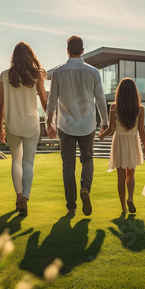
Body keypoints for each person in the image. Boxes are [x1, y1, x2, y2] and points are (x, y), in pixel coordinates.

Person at [46, 35, 109, 216]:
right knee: (87, 159)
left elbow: (51, 103)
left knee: (68, 165)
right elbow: (100, 100)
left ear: (67, 50)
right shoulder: (93, 72)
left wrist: (48, 125)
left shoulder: (58, 72)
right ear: (82, 51)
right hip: (87, 125)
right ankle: (85, 189)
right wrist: (105, 122)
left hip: (65, 126)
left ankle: (71, 205)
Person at [0, 42, 48, 216]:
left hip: (12, 125)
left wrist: (0, 128)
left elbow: (1, 104)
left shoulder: (4, 75)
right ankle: (25, 199)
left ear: (13, 57)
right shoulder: (36, 76)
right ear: (30, 56)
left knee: (16, 161)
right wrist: (50, 122)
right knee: (28, 162)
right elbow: (44, 102)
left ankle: (18, 197)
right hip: (31, 125)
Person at [98, 78, 145, 214]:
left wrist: (101, 135)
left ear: (120, 92)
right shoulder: (140, 108)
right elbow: (141, 130)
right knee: (131, 174)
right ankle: (130, 198)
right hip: (133, 141)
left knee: (121, 176)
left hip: (119, 142)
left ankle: (123, 208)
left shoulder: (114, 107)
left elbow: (111, 128)